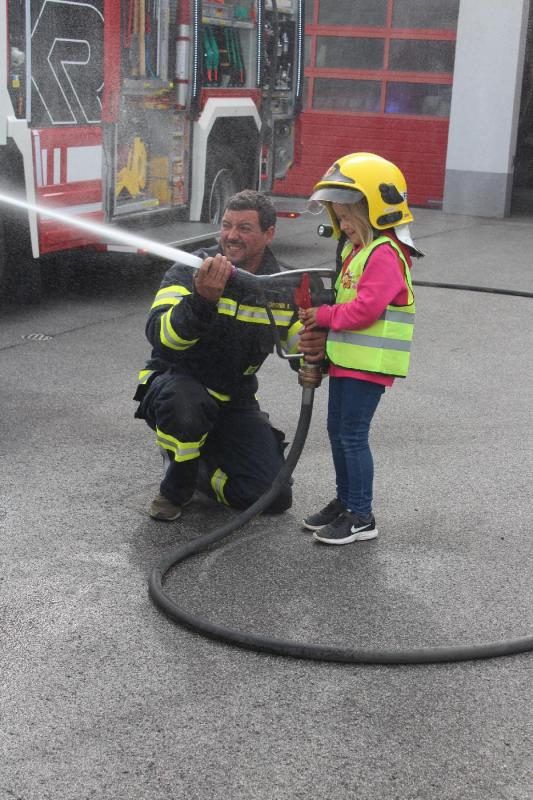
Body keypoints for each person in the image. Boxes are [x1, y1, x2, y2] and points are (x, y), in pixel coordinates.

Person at [134, 189, 326, 521]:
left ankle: (201, 472)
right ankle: (176, 487)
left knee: (272, 497)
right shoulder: (190, 270)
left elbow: (299, 348)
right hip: (176, 384)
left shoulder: (281, 287)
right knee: (187, 406)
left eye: (244, 228)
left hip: (234, 399)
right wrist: (201, 301)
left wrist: (317, 348)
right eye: (226, 225)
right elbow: (162, 338)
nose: (231, 236)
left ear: (269, 233)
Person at [299, 152, 423, 545]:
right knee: (338, 431)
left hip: (368, 365)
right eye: (339, 217)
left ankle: (362, 516)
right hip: (348, 361)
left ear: (376, 212)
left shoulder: (384, 253)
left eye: (349, 217)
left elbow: (366, 309)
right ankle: (346, 501)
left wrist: (323, 315)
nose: (343, 225)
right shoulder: (358, 250)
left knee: (351, 435)